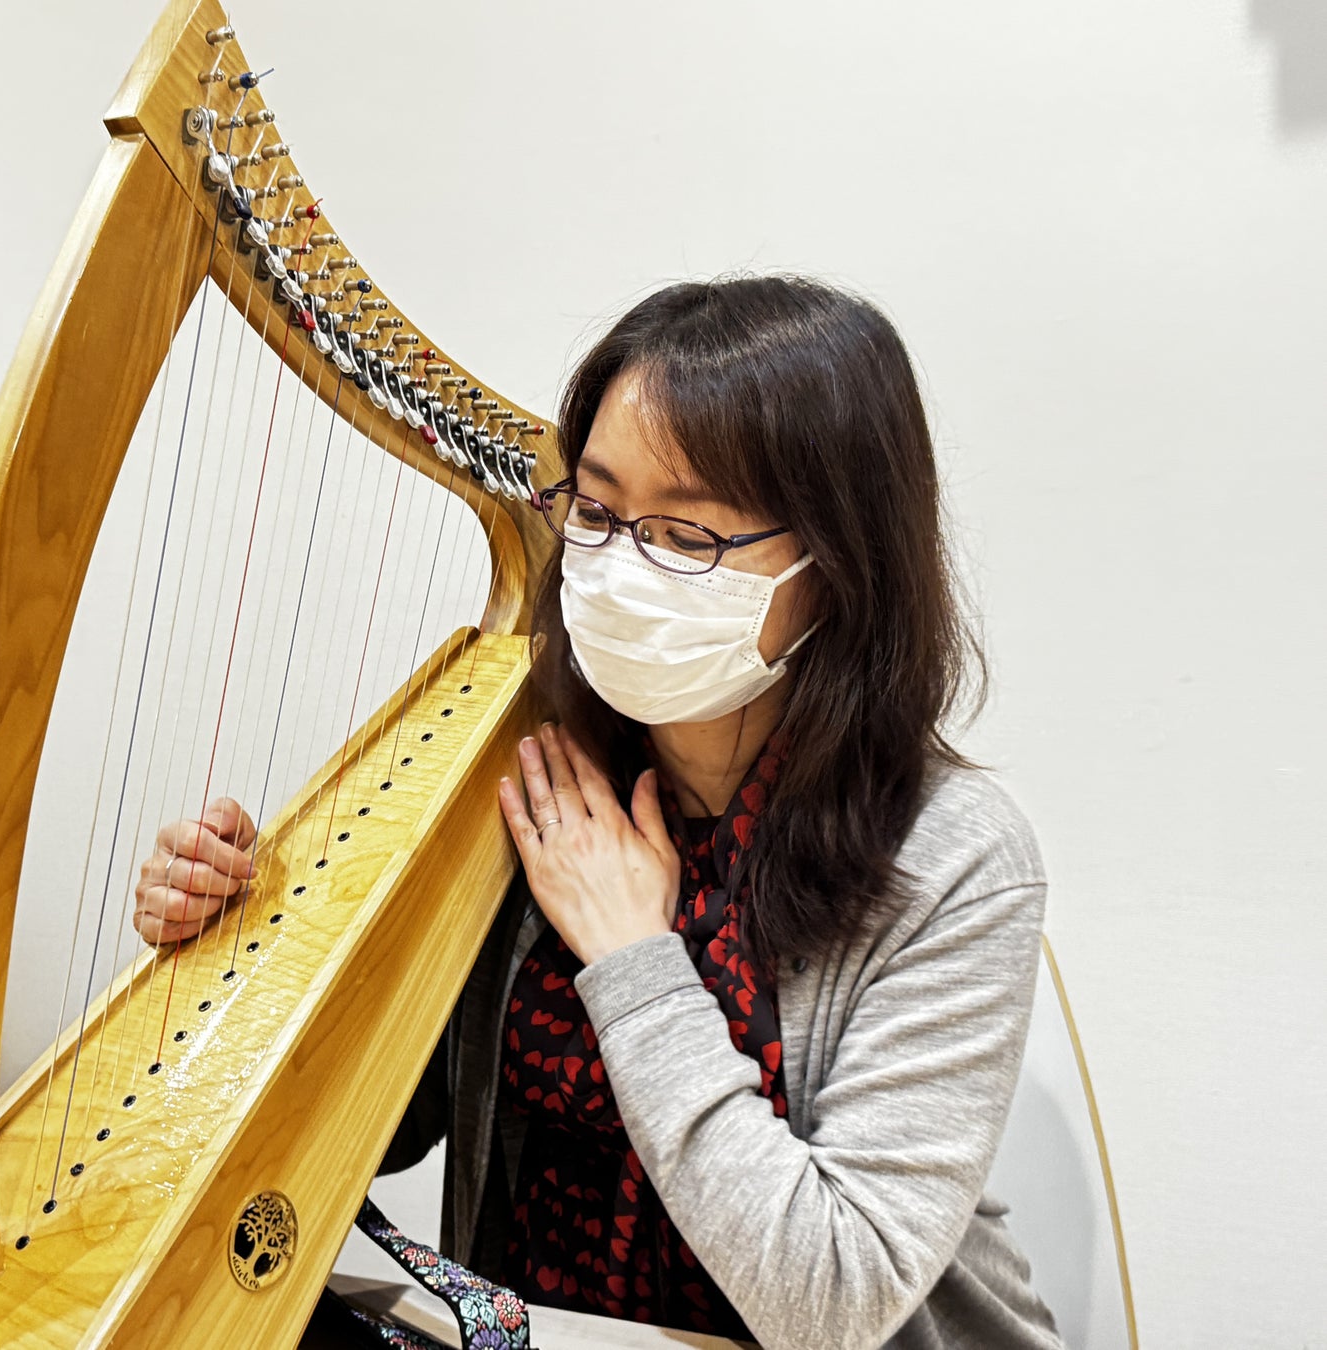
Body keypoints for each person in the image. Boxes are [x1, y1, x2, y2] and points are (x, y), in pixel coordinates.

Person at [134, 275, 1066, 1349]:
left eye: (685, 534)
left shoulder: (954, 855)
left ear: (835, 563)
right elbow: (370, 1130)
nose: (621, 564)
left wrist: (631, 957)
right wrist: (236, 948)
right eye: (597, 510)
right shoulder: (541, 782)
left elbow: (830, 1300)